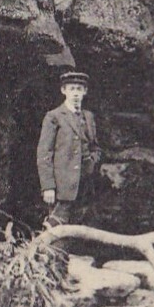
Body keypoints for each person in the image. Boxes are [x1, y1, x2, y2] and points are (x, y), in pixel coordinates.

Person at [37, 71, 100, 226]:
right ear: (63, 90)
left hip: (85, 186)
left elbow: (95, 147)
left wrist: (92, 161)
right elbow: (44, 153)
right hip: (62, 188)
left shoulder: (89, 117)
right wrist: (48, 186)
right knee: (57, 229)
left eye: (79, 89)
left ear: (85, 91)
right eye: (72, 89)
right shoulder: (54, 116)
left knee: (80, 230)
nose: (76, 94)